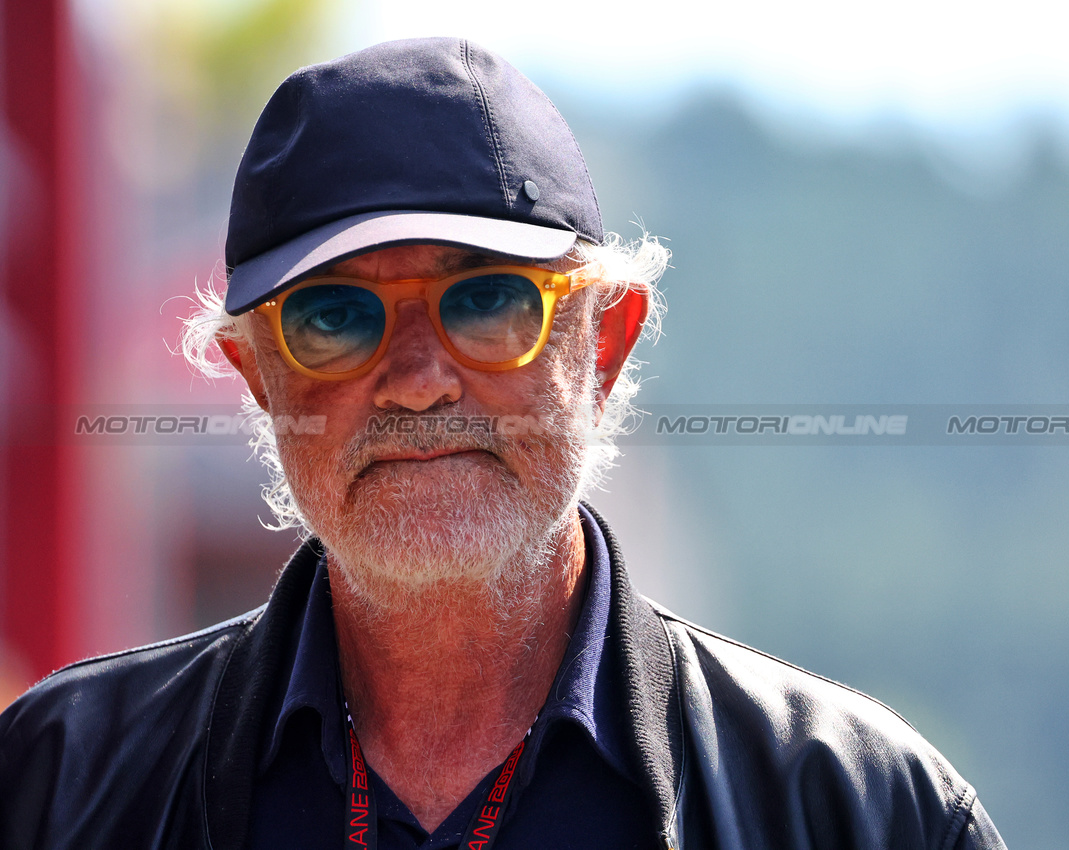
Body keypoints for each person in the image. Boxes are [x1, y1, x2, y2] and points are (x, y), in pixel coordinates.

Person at [0, 38, 1006, 849]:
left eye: (486, 300)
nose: (418, 377)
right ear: (261, 380)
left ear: (602, 344)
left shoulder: (860, 810)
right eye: (336, 318)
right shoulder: (54, 785)